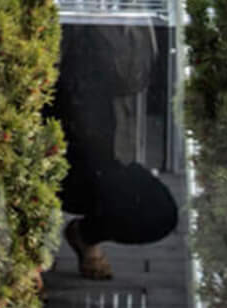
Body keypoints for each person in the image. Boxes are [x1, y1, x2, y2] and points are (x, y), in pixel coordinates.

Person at [53, 18, 179, 281]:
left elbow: (135, 76)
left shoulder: (100, 36)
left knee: (159, 213)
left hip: (93, 166)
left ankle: (84, 235)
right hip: (35, 153)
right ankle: (25, 265)